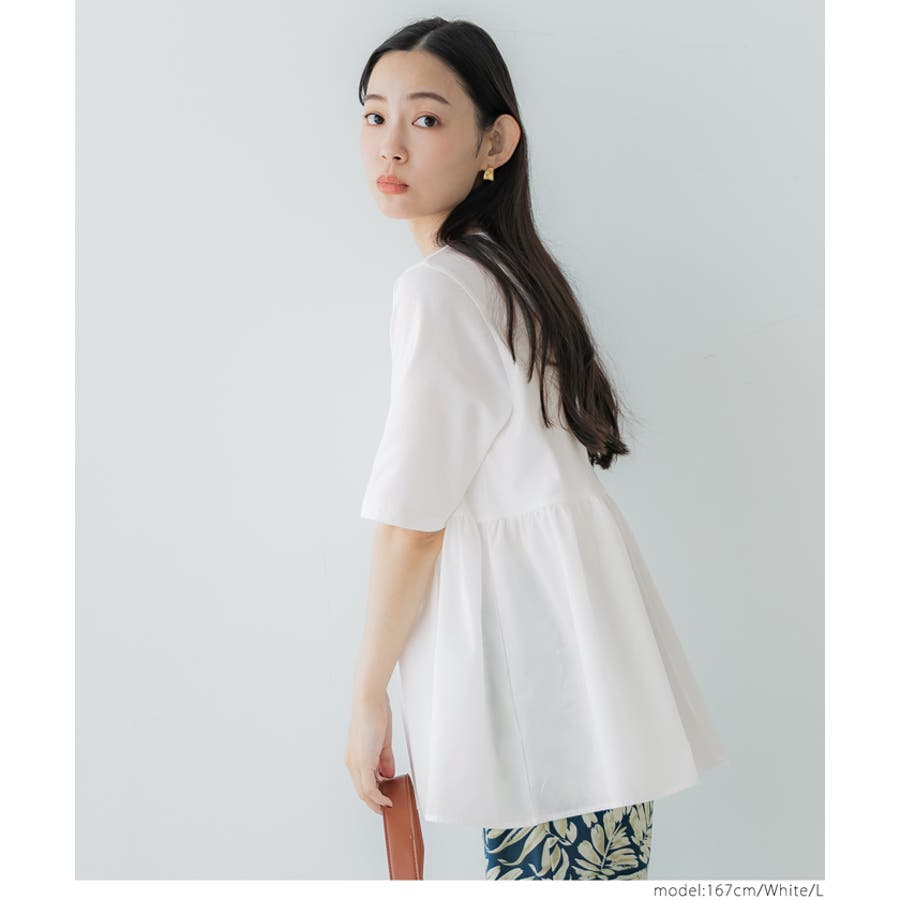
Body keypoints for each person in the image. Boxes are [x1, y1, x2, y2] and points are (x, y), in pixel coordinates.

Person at [344, 17, 728, 881]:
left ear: (496, 142)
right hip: (588, 661)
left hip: (537, 674)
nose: (390, 144)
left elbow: (413, 521)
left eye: (426, 118)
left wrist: (367, 699)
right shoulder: (512, 277)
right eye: (374, 115)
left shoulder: (441, 290)